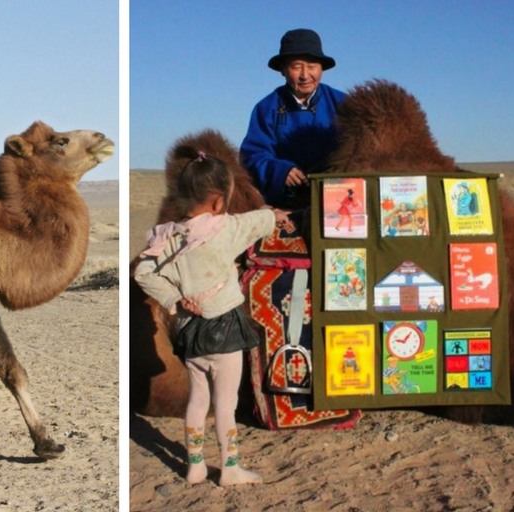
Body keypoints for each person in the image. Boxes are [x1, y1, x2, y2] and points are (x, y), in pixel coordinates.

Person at [134, 148, 292, 487]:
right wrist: (277, 215)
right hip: (225, 331)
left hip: (192, 333)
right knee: (225, 403)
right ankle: (230, 468)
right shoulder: (227, 228)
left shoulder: (170, 237)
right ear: (219, 202)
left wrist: (175, 299)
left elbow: (145, 274)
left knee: (198, 399)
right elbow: (262, 220)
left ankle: (195, 467)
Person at [240, 28, 346, 209]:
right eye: (297, 66)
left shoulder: (343, 104)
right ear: (283, 70)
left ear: (322, 69)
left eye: (312, 66)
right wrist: (279, 171)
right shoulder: (266, 108)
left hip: (336, 201)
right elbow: (252, 156)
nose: (305, 75)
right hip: (284, 204)